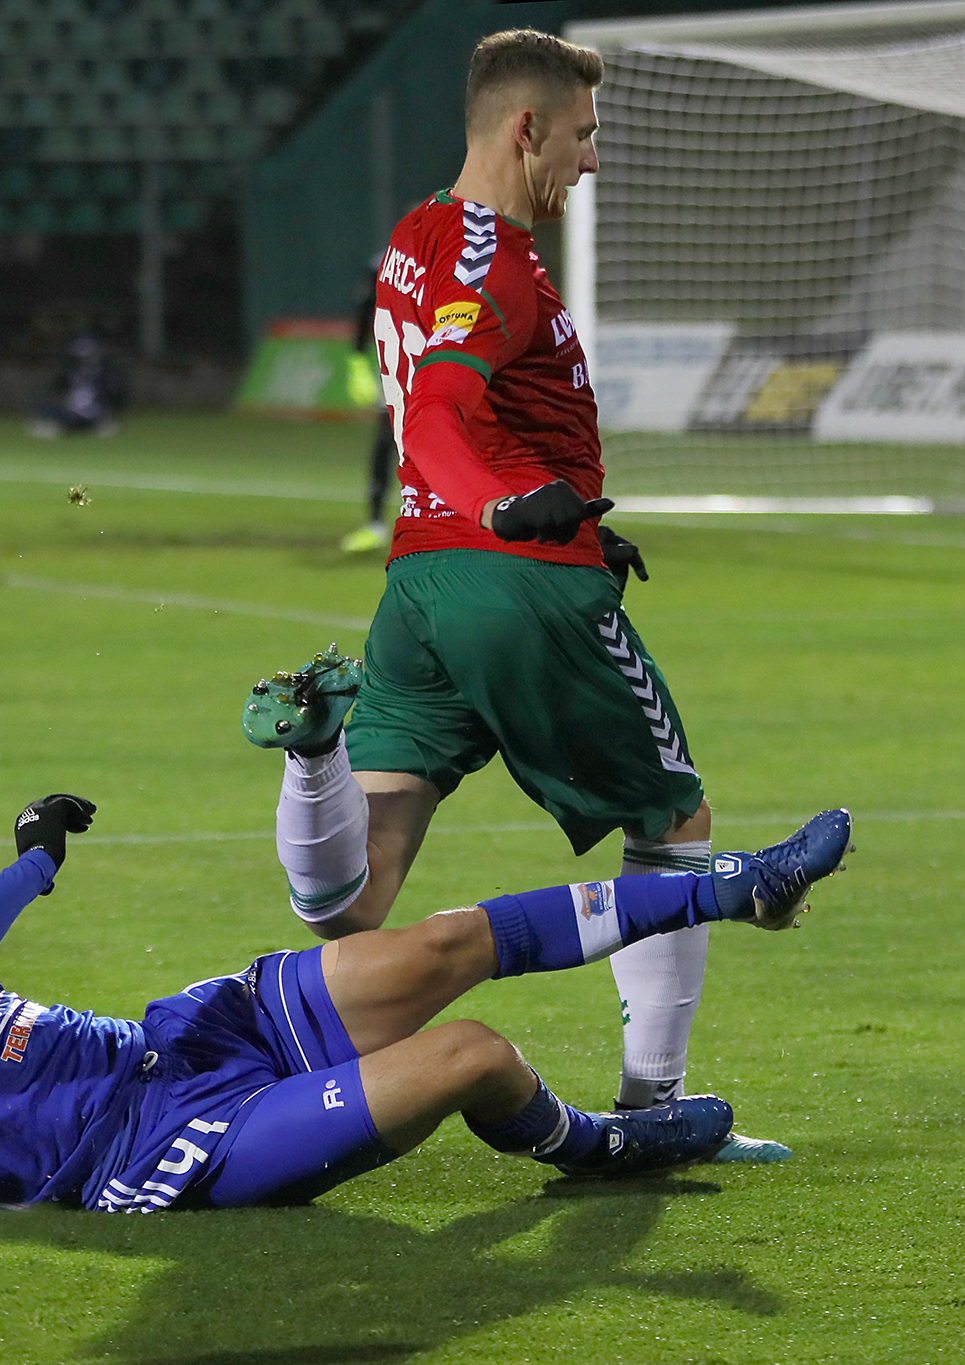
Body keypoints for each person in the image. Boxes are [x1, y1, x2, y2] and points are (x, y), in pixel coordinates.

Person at [242, 30, 779, 1159]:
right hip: (512, 583)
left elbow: (468, 416)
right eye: (582, 133)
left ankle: (311, 761)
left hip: (418, 590)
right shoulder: (493, 260)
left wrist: (562, 506)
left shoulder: (419, 235)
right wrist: (504, 508)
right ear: (526, 127)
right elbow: (440, 412)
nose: (591, 158)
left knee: (353, 898)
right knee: (672, 820)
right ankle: (654, 1108)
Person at [0, 795, 850, 1211]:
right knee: (472, 1054)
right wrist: (29, 870)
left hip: (177, 1041)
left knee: (446, 941)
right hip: (151, 1149)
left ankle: (738, 887)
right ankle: (599, 1148)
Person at [341, 253, 401, 555]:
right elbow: (365, 312)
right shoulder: (385, 263)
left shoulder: (454, 261)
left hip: (436, 370)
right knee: (384, 445)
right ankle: (375, 524)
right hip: (398, 374)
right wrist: (357, 361)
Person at [27, 334, 130, 438]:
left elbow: (115, 394)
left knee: (98, 416)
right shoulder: (68, 373)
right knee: (48, 409)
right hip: (70, 408)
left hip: (95, 409)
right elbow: (56, 390)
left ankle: (96, 425)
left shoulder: (105, 374)